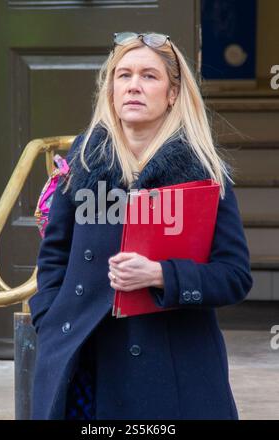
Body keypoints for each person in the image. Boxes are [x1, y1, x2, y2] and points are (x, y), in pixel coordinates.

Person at [28, 32, 253, 420]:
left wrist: (162, 275)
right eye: (124, 75)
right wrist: (48, 319)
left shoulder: (204, 173)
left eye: (149, 76)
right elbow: (54, 257)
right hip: (81, 359)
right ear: (111, 90)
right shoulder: (81, 161)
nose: (134, 85)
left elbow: (234, 276)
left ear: (172, 93)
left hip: (170, 367)